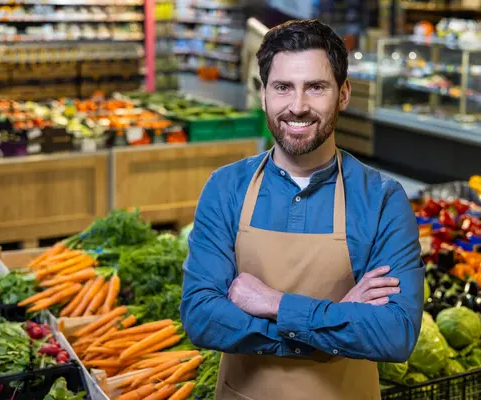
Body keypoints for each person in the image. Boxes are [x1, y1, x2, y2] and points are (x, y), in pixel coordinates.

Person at [181, 19, 424, 400]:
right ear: (263, 94)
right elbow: (201, 317)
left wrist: (272, 304)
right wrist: (325, 325)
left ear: (343, 94)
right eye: (282, 87)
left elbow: (395, 335)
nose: (297, 107)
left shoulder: (382, 200)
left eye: (315, 87)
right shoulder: (226, 188)